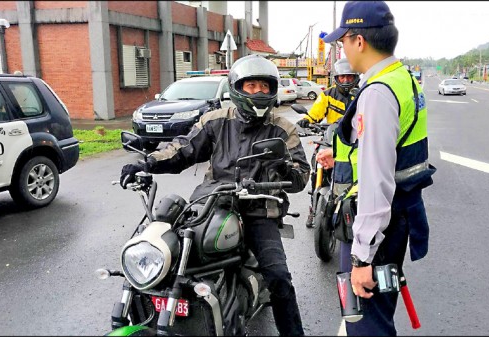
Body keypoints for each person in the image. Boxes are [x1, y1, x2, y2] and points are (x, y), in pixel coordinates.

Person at [119, 54, 309, 336]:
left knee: (279, 277)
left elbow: (301, 175)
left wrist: (281, 166)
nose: (258, 92)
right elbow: (182, 149)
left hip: (258, 209)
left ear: (272, 90)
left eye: (264, 87)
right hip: (209, 203)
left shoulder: (283, 129)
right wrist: (146, 163)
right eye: (251, 86)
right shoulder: (216, 120)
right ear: (237, 87)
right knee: (162, 247)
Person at [320, 1, 436, 335]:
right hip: (398, 216)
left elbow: (376, 182)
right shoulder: (403, 79)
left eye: (343, 40)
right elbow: (387, 150)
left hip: (378, 226)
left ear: (359, 41)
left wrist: (362, 258)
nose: (342, 47)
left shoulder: (378, 92)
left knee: (365, 325)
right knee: (374, 319)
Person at [296, 58, 359, 227]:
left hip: (353, 143)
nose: (345, 81)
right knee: (316, 162)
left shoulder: (362, 94)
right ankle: (313, 208)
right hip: (330, 140)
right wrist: (306, 120)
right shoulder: (327, 95)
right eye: (342, 77)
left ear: (355, 77)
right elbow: (315, 113)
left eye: (349, 77)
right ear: (336, 78)